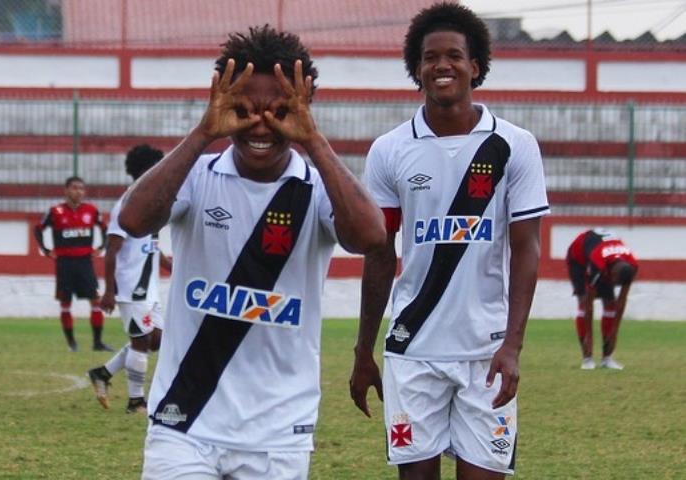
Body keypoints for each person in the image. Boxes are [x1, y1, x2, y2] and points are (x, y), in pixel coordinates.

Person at [118, 25, 385, 480]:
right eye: (244, 109)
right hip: (184, 423)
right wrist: (203, 133)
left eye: (279, 110)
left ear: (303, 109)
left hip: (278, 432)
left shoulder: (319, 187)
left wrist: (314, 141)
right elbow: (134, 219)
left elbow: (371, 237)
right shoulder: (197, 175)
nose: (261, 124)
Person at [349, 4, 550, 479]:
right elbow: (380, 254)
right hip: (413, 350)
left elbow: (527, 249)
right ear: (415, 69)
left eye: (454, 55)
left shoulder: (513, 145)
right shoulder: (391, 150)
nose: (442, 65)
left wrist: (513, 347)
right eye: (430, 57)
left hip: (486, 352)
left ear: (475, 65)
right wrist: (363, 350)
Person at [87, 144, 173, 413]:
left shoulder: (150, 201)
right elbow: (112, 250)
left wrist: (167, 262)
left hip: (148, 288)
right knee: (140, 342)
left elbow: (149, 242)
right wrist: (109, 291)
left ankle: (103, 373)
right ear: (147, 170)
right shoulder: (125, 204)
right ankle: (136, 401)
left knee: (155, 340)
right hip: (131, 287)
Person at [34, 176, 111, 352]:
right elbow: (38, 229)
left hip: (85, 262)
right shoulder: (55, 211)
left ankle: (97, 342)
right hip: (64, 263)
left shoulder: (91, 210)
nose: (79, 192)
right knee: (65, 302)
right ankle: (72, 344)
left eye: (81, 188)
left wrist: (101, 247)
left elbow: (106, 229)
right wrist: (46, 250)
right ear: (66, 190)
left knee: (95, 300)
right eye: (75, 188)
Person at [566, 229, 638, 370]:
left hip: (607, 260)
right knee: (583, 302)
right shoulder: (597, 261)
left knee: (610, 304)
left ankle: (607, 358)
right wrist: (589, 338)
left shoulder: (632, 265)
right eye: (614, 281)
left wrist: (615, 332)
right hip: (578, 259)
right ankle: (587, 358)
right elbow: (589, 304)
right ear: (613, 273)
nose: (613, 284)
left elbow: (621, 301)